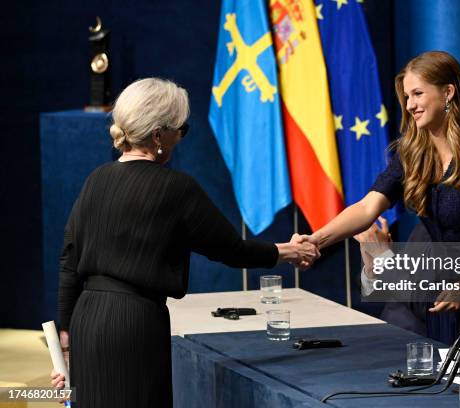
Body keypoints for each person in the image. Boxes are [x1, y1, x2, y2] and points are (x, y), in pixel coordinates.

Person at [50, 78, 319, 407]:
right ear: (159, 135)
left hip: (86, 321)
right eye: (181, 129)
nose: (181, 137)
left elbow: (68, 263)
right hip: (136, 325)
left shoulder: (96, 180)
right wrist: (286, 252)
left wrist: (66, 339)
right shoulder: (175, 187)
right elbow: (231, 250)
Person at [302, 51, 460, 369]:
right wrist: (313, 241)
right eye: (406, 97)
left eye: (417, 94)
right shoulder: (412, 154)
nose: (410, 105)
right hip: (440, 299)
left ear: (448, 93)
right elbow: (366, 207)